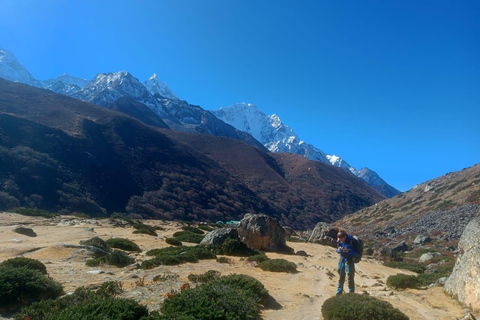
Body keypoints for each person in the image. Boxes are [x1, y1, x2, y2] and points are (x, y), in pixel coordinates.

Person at [336, 229, 359, 295]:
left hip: (349, 261)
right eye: (339, 239)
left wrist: (349, 251)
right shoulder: (340, 241)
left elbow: (357, 253)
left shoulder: (352, 242)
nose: (340, 240)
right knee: (341, 277)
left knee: (350, 277)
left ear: (345, 237)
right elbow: (337, 250)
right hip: (342, 260)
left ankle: (351, 293)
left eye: (341, 239)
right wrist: (339, 250)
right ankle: (339, 293)